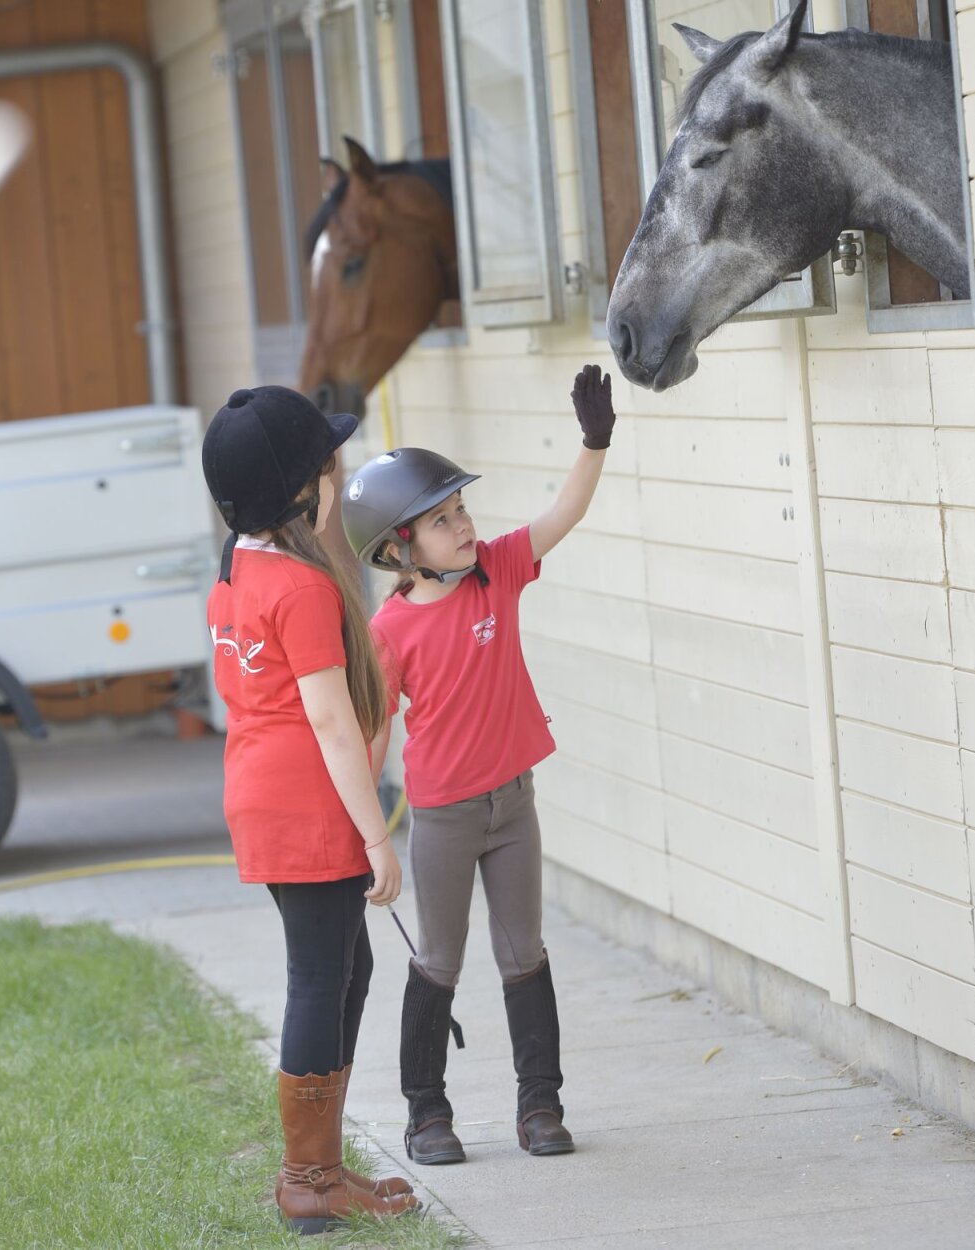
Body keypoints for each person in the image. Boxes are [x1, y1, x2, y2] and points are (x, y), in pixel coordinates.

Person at [340, 364, 616, 1165]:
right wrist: (365, 833)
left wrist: (594, 441)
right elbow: (372, 735)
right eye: (442, 519)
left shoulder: (496, 570)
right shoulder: (390, 631)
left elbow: (562, 514)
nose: (463, 525)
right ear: (400, 547)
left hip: (513, 805)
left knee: (524, 952)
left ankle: (541, 1106)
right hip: (445, 817)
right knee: (440, 958)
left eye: (461, 509)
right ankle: (427, 1114)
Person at [201, 385, 419, 1235]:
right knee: (322, 977)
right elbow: (329, 721)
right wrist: (377, 837)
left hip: (259, 796)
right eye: (331, 467)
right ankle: (308, 1180)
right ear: (303, 491)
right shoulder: (301, 588)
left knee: (345, 971)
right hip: (309, 805)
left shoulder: (237, 572)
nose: (339, 477)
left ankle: (322, 1167)